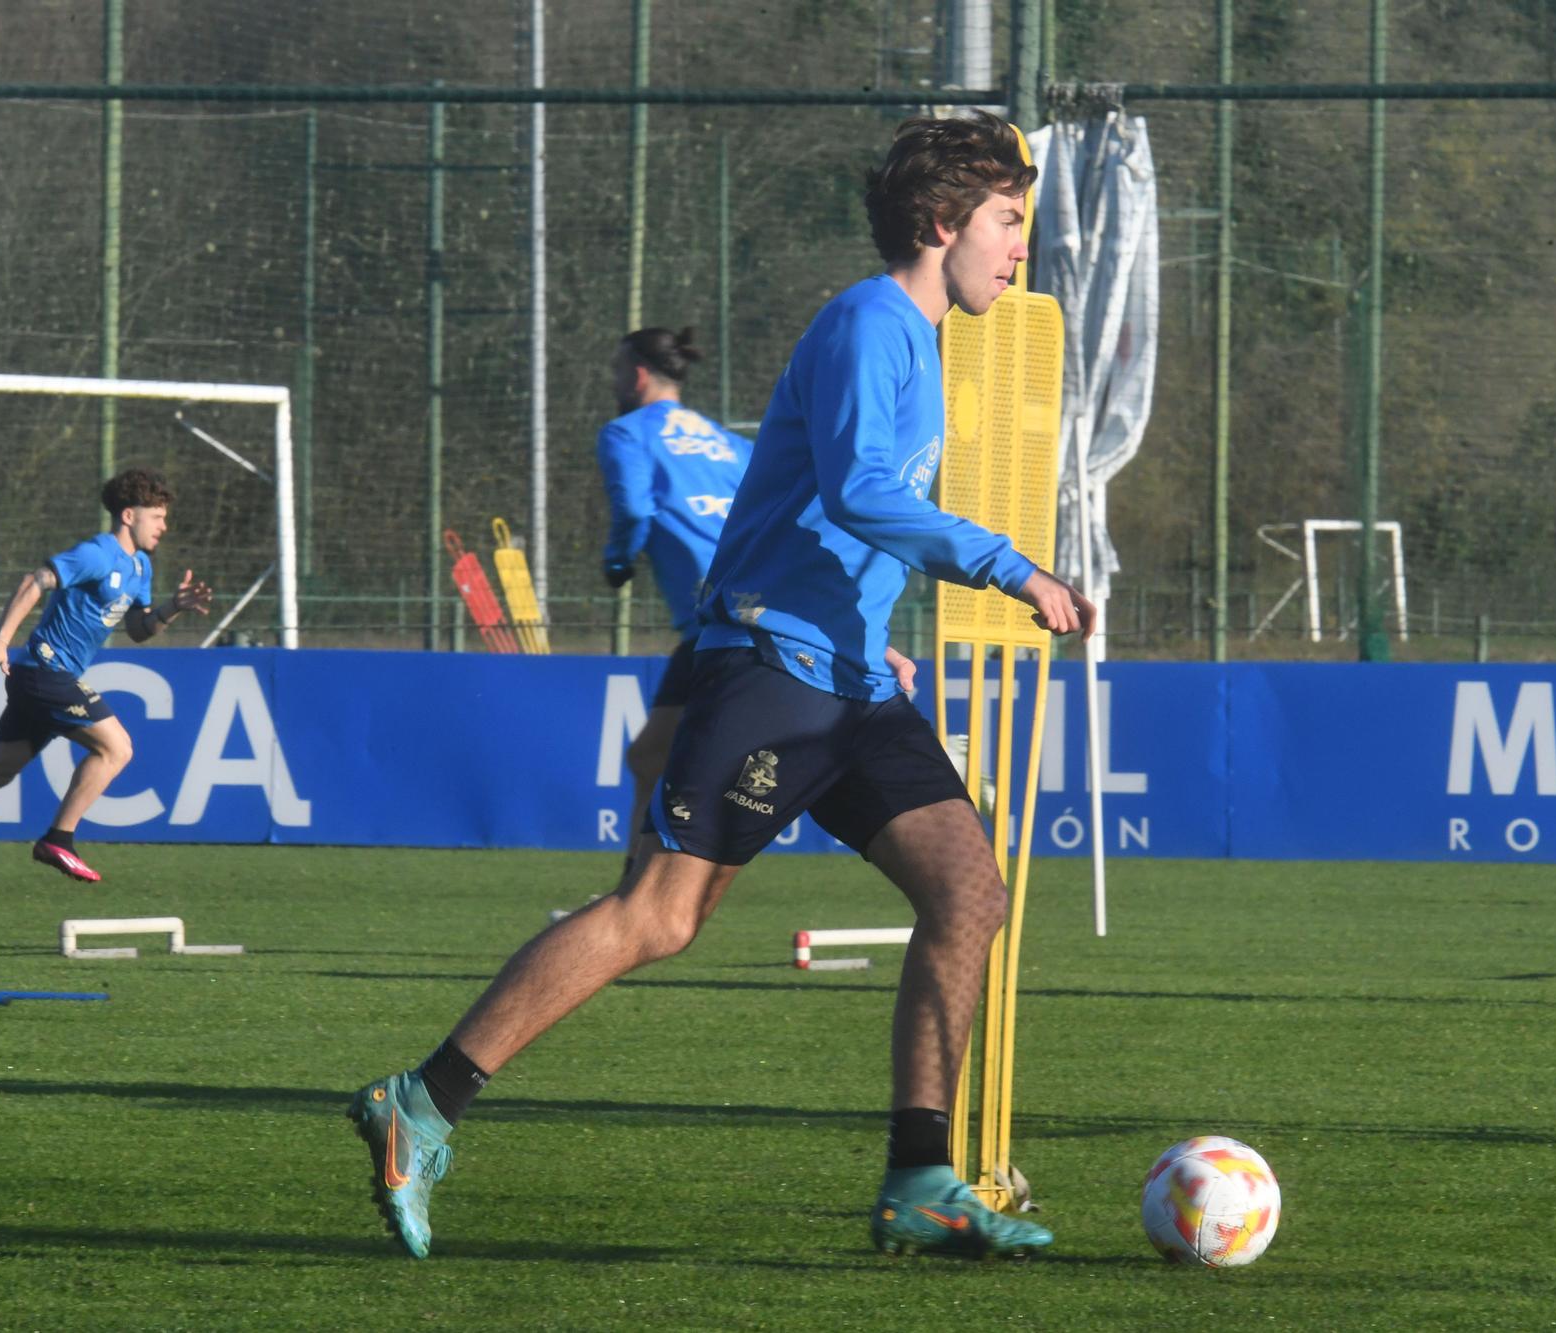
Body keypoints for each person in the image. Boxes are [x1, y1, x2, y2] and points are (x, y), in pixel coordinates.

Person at [348, 111, 1093, 1261]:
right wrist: (1009, 566)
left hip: (851, 678)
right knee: (659, 915)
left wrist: (874, 627)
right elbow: (856, 492)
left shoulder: (920, 341)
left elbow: (842, 517)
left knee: (968, 892)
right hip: (771, 675)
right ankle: (425, 1099)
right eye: (1006, 222)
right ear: (941, 222)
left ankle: (919, 1176)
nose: (1017, 248)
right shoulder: (868, 322)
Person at [0, 468, 214, 892]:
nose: (164, 526)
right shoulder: (98, 553)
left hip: (42, 678)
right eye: (157, 516)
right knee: (117, 748)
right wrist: (0, 640)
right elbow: (35, 580)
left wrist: (172, 607)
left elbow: (138, 628)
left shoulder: (141, 568)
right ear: (130, 515)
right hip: (44, 671)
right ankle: (58, 839)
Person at [598, 327, 751, 880]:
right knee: (650, 756)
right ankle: (631, 893)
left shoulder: (627, 434)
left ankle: (639, 896)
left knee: (763, 764)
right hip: (750, 606)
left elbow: (635, 510)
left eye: (619, 370)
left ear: (638, 375)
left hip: (726, 619)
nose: (616, 382)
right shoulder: (731, 444)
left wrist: (618, 561)